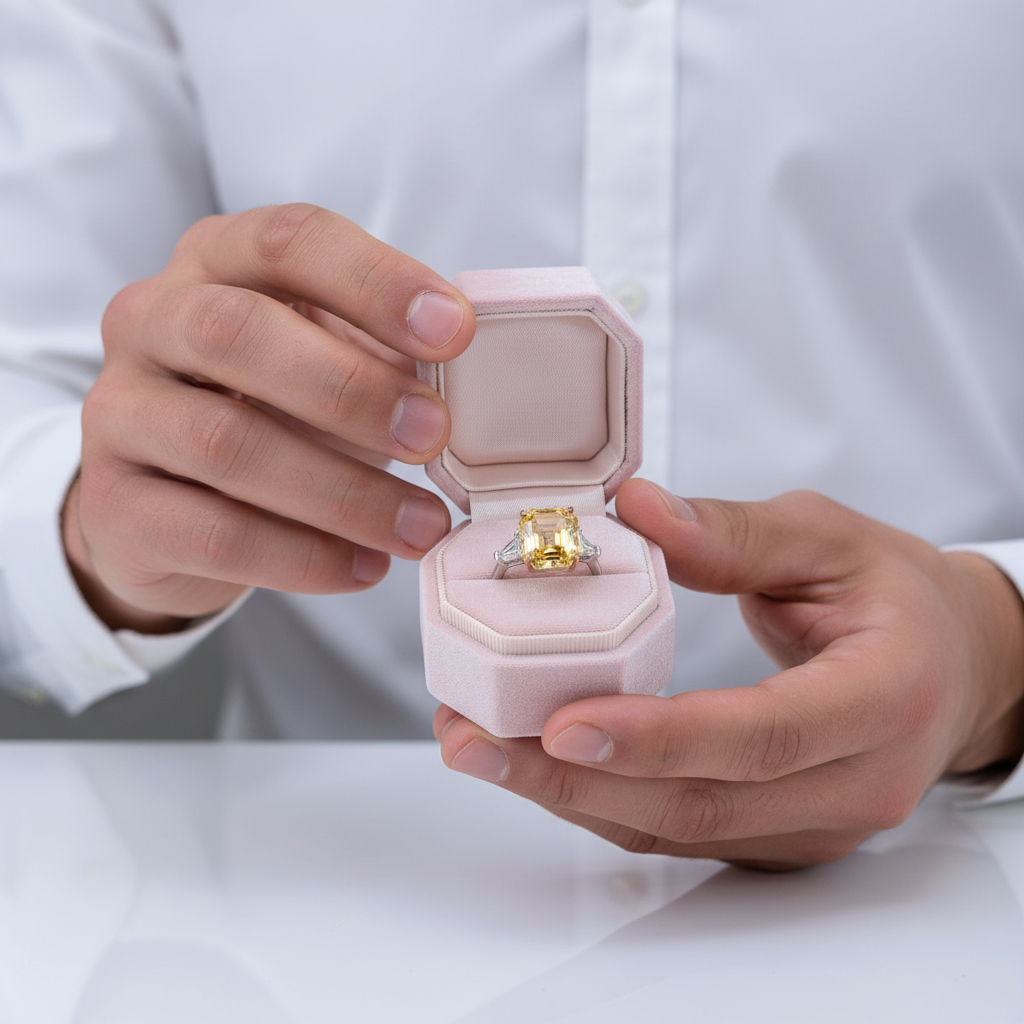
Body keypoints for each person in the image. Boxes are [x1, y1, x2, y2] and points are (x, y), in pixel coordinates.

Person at [1, 0, 1023, 869]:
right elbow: (25, 390)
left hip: (958, 877)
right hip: (339, 889)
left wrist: (997, 643)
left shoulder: (559, 542)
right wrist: (91, 524)